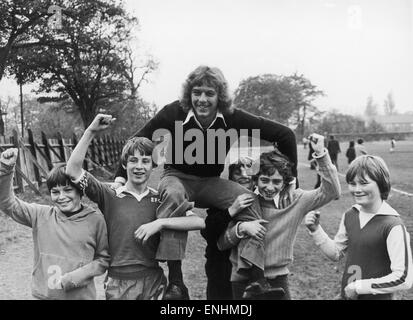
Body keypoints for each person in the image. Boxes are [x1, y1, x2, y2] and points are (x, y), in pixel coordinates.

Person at [113, 65, 298, 299]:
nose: (202, 99)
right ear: (189, 95)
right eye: (197, 92)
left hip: (210, 181)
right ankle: (177, 283)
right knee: (172, 195)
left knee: (249, 200)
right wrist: (120, 179)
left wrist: (292, 181)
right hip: (177, 177)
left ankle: (257, 279)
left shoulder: (232, 118)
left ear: (219, 96)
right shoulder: (174, 113)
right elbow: (138, 139)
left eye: (209, 93)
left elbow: (285, 135)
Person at [66, 114, 205, 300]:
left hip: (154, 281)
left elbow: (198, 221)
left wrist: (161, 223)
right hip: (119, 282)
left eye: (145, 161)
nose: (139, 167)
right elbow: (72, 170)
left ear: (153, 165)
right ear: (125, 164)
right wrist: (91, 131)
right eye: (133, 160)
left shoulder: (160, 199)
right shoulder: (110, 195)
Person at [218, 133, 341, 299]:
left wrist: (321, 154)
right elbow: (222, 243)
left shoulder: (296, 200)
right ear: (255, 179)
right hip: (242, 282)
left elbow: (331, 191)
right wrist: (242, 228)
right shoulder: (243, 201)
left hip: (277, 281)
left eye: (276, 182)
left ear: (285, 182)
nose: (269, 187)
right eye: (264, 180)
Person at [0, 148, 110, 300]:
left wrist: (75, 277)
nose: (62, 197)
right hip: (44, 296)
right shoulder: (40, 215)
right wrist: (5, 170)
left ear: (80, 192)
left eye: (68, 190)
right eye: (55, 192)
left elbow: (103, 260)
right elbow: (7, 203)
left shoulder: (96, 220)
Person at [305, 155, 413, 300]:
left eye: (363, 183)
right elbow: (336, 253)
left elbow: (403, 278)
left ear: (381, 183)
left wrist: (359, 287)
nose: (356, 189)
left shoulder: (392, 226)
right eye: (352, 183)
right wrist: (316, 230)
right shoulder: (350, 215)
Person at [201, 159, 256, 300]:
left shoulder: (261, 199)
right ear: (230, 179)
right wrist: (231, 210)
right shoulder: (220, 201)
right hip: (221, 269)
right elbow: (207, 232)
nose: (244, 175)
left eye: (248, 171)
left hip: (252, 270)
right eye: (238, 172)